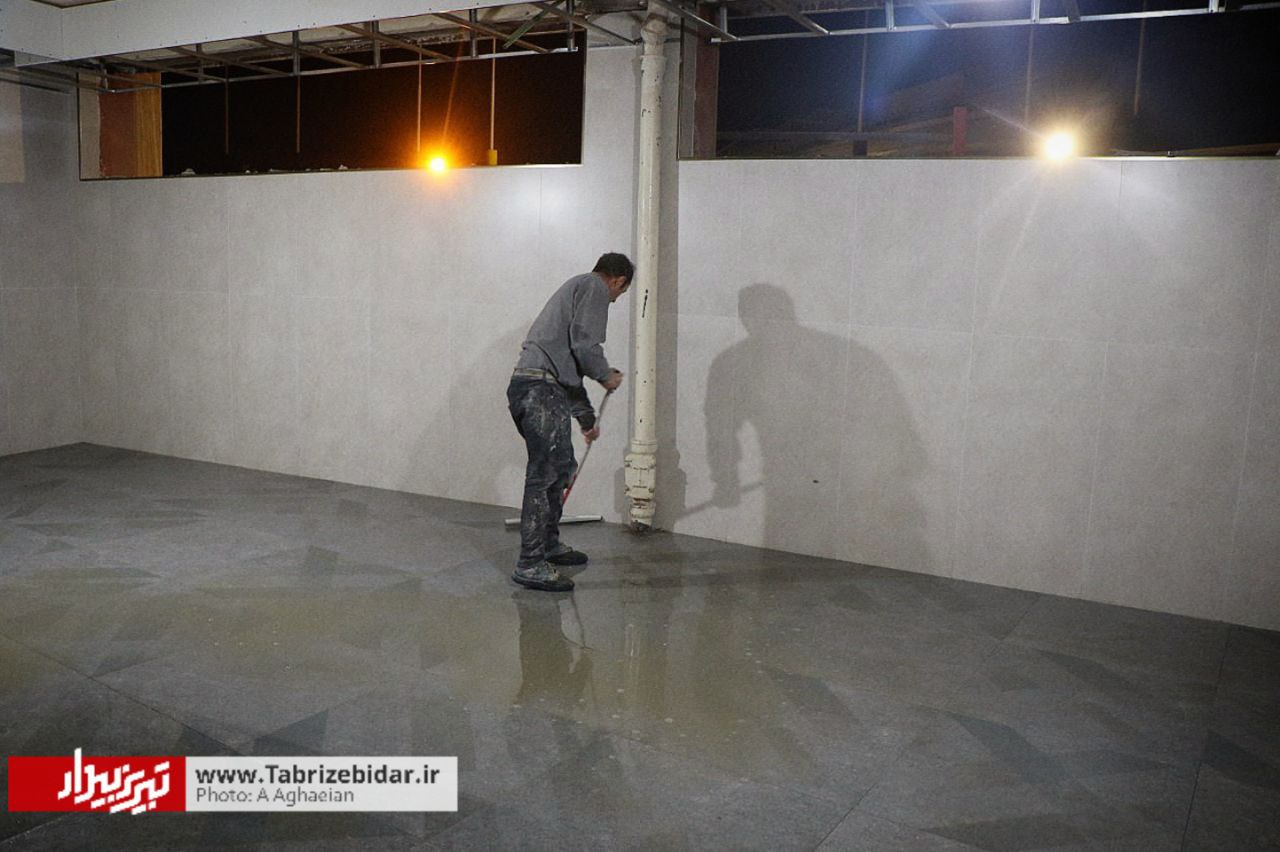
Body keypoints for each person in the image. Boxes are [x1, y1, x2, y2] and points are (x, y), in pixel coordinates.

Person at [507, 253, 633, 591]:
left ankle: (548, 545)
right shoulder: (594, 286)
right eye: (619, 294)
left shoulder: (575, 291)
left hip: (535, 389)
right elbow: (584, 344)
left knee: (561, 467)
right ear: (618, 281)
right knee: (545, 474)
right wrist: (604, 374)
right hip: (539, 390)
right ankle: (530, 563)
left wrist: (586, 420)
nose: (614, 300)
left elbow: (568, 370)